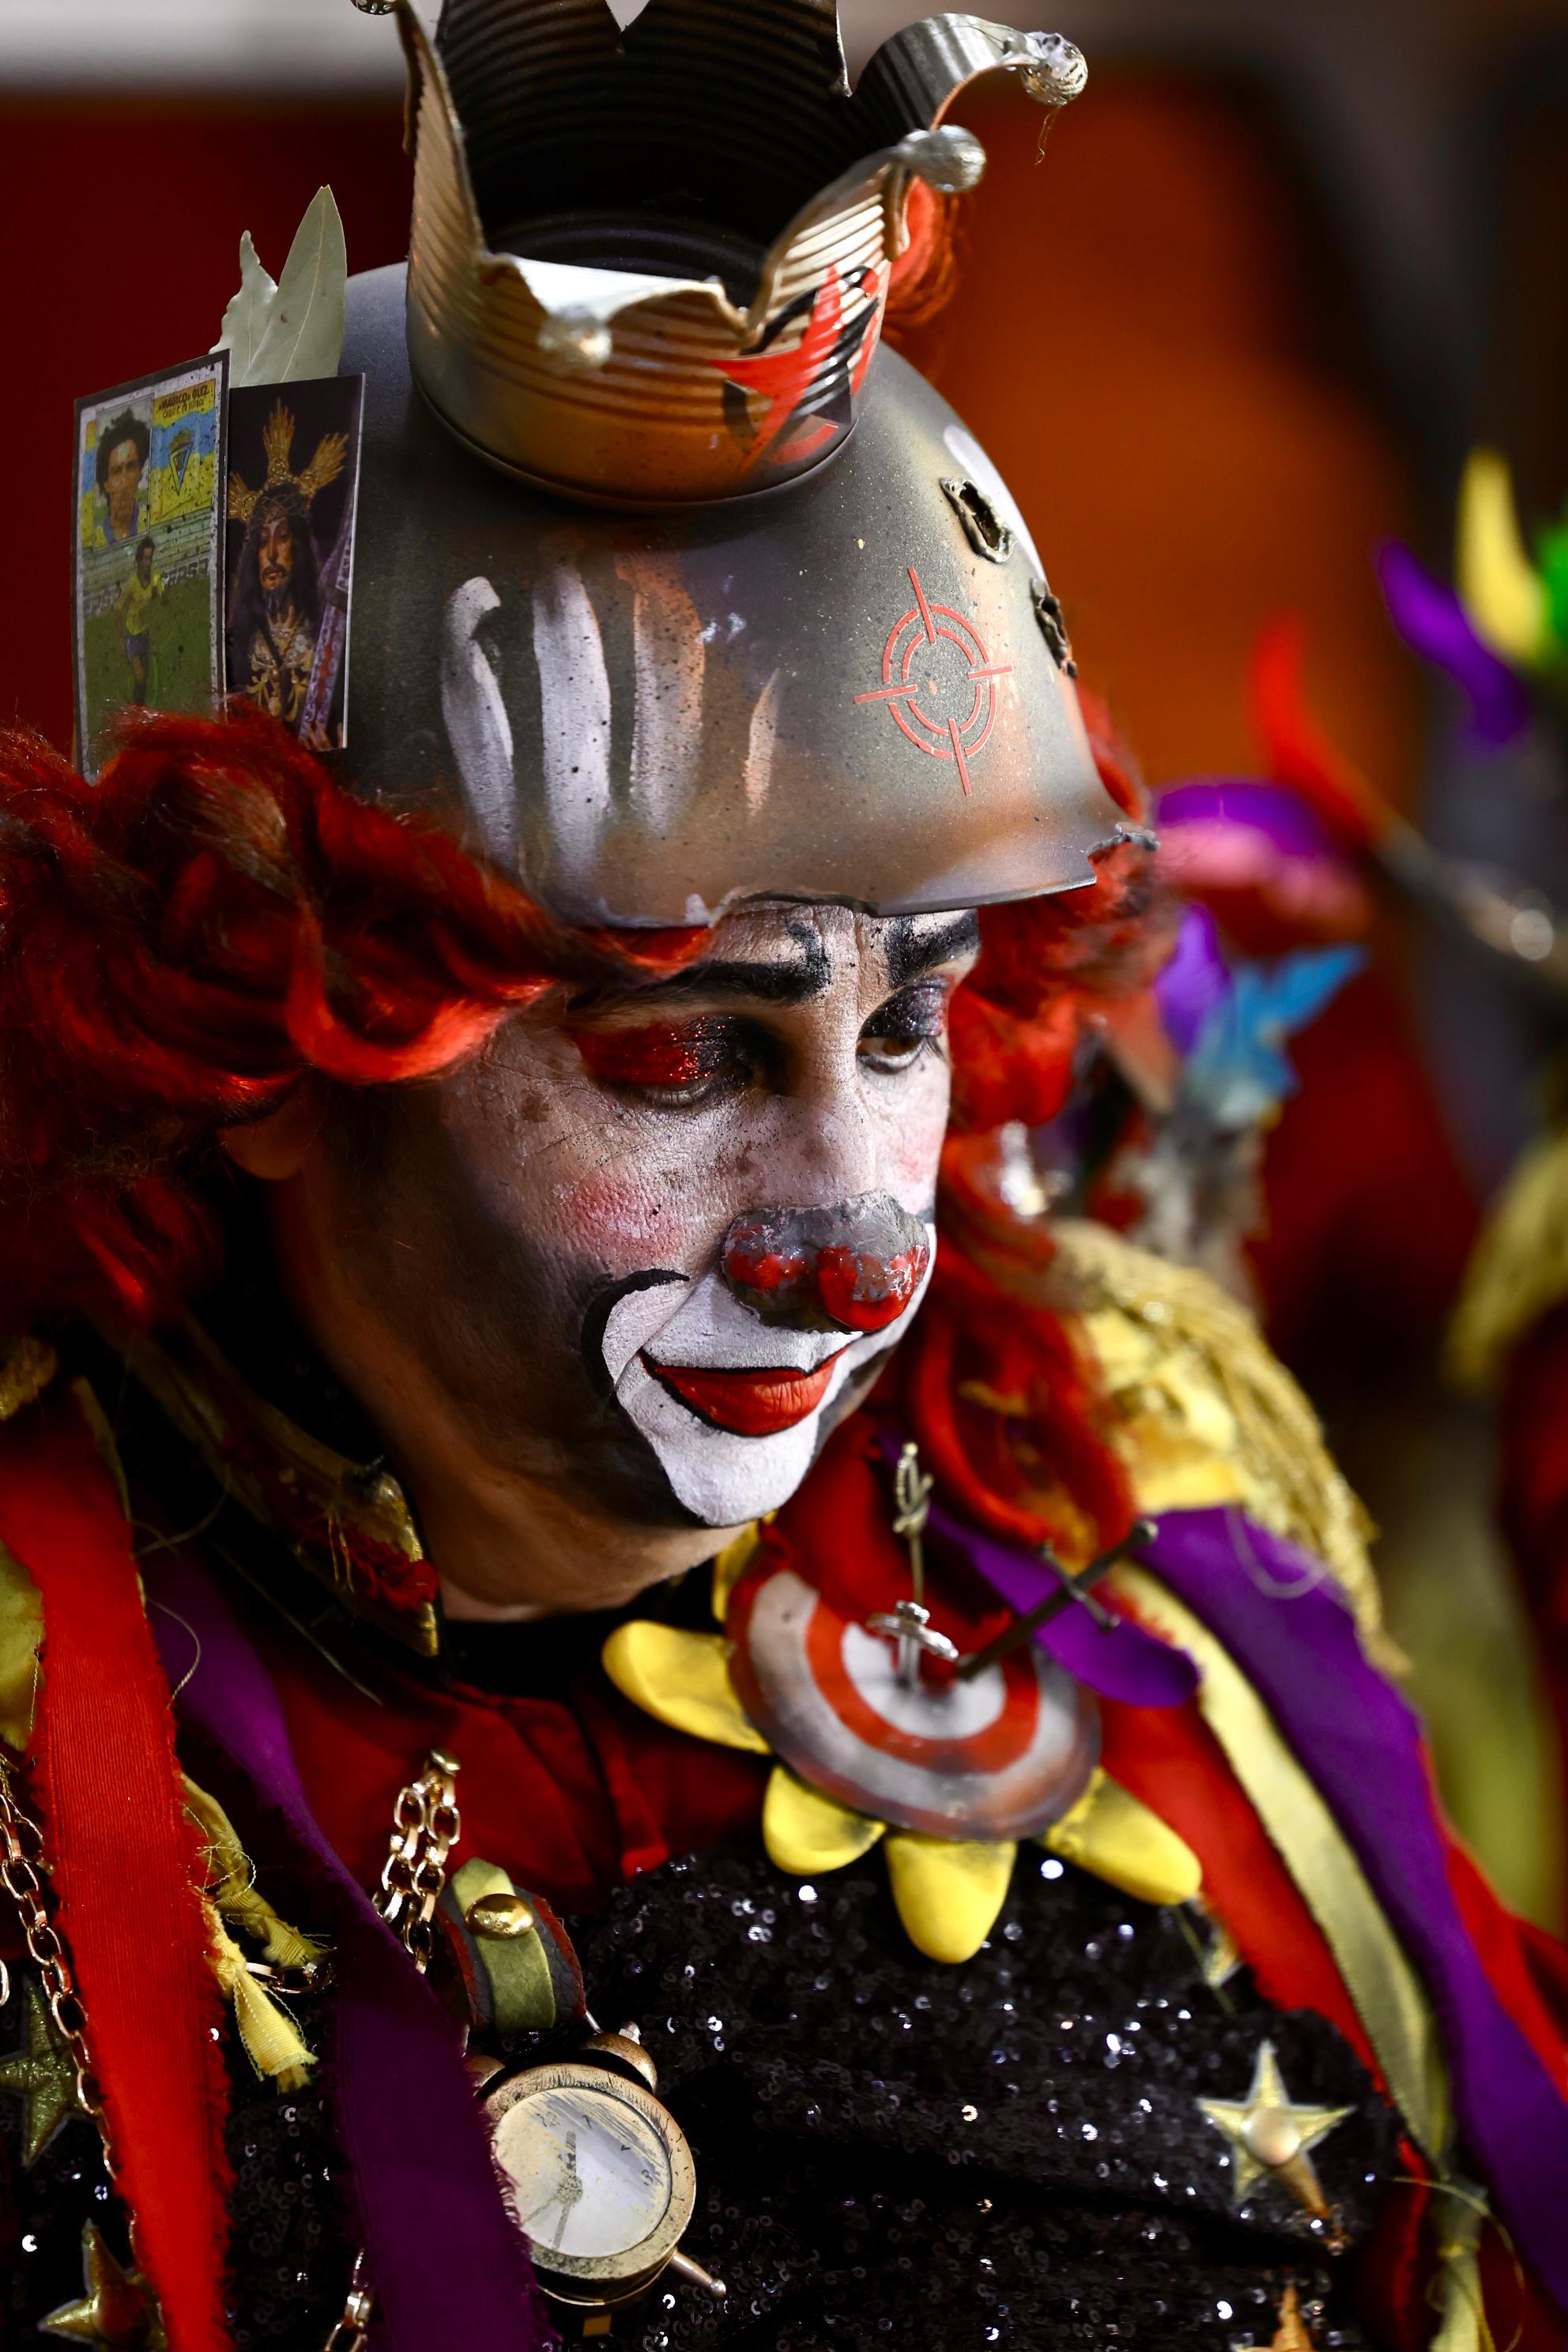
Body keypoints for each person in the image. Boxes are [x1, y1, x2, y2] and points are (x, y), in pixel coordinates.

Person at [0, 7, 1564, 2350]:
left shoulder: (1122, 1504)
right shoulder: (44, 1717)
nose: (859, 1228)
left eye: (908, 1024)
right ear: (272, 1031)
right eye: (682, 1053)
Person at [227, 398, 347, 747]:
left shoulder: (326, 630)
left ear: (299, 547)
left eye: (282, 537)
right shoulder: (241, 637)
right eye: (263, 542)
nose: (271, 555)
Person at [114, 533, 165, 707]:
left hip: (145, 634)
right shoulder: (132, 584)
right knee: (141, 676)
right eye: (144, 559)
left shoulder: (155, 577)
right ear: (138, 560)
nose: (148, 563)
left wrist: (159, 591)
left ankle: (138, 707)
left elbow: (163, 599)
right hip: (132, 636)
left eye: (150, 558)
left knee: (144, 679)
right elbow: (119, 609)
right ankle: (135, 708)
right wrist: (120, 639)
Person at [92, 409, 149, 548]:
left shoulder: (151, 519)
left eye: (131, 467)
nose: (125, 481)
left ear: (140, 474)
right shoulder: (96, 540)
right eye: (117, 471)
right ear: (106, 483)